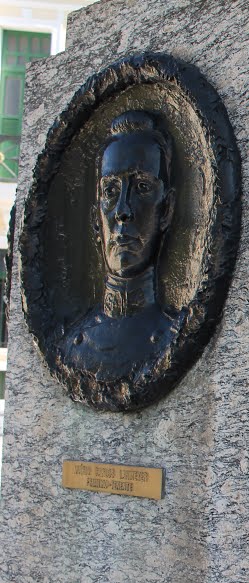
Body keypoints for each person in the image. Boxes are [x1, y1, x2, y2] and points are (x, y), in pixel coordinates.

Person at [58, 110, 178, 382]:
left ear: (167, 210)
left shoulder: (175, 334)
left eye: (143, 187)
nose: (123, 210)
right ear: (95, 219)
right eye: (111, 191)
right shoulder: (71, 345)